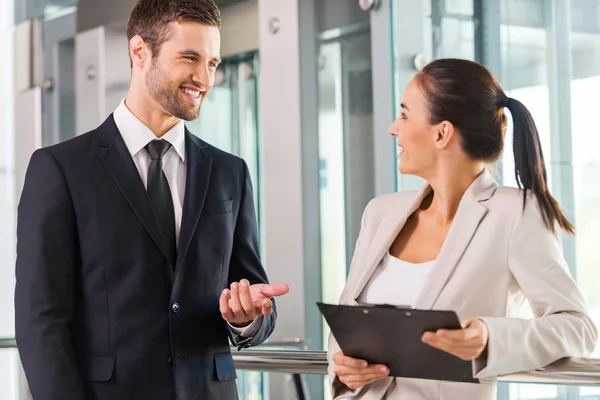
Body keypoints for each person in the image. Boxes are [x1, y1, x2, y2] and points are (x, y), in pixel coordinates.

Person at [14, 0, 288, 399]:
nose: (204, 78)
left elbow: (251, 296)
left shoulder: (231, 173)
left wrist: (246, 318)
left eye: (212, 63)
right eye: (190, 58)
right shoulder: (61, 169)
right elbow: (41, 321)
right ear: (140, 52)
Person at [327, 58, 598, 400]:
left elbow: (577, 327)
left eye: (405, 114)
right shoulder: (380, 213)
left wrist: (489, 337)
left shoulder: (515, 214)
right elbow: (345, 329)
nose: (393, 128)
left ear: (441, 133)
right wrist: (344, 370)